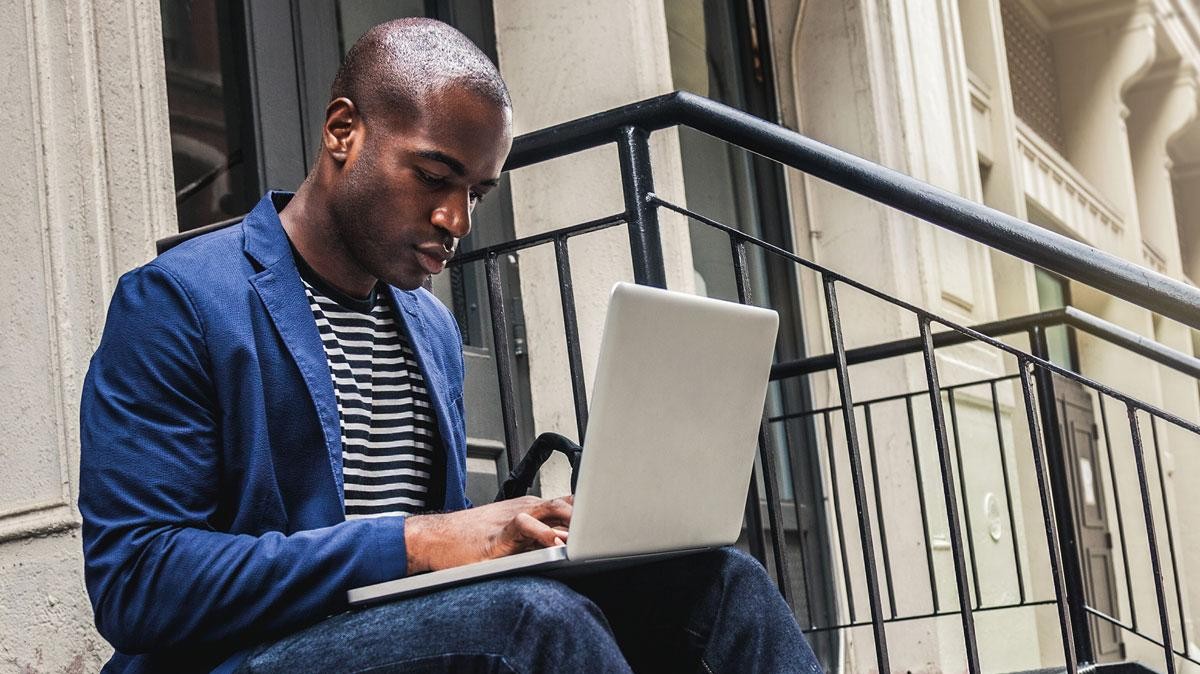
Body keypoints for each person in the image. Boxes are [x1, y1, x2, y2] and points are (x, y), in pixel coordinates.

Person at [79, 17, 821, 673]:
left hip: (403, 637)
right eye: (434, 176)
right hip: (236, 656)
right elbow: (139, 581)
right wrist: (420, 541)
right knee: (531, 624)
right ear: (343, 132)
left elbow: (442, 578)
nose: (457, 220)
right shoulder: (179, 301)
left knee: (721, 582)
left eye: (478, 193)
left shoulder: (429, 329)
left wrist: (528, 537)